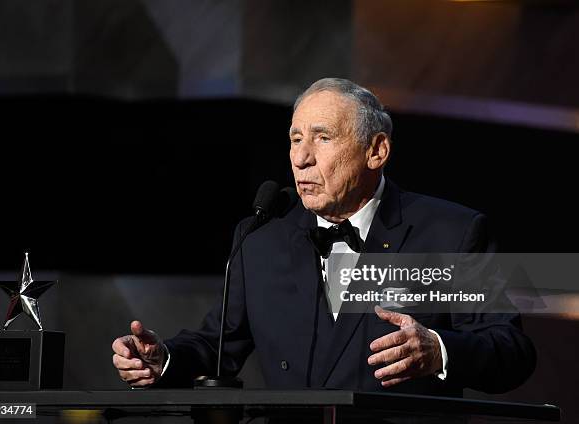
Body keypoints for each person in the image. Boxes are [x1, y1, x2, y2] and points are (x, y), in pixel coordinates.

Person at [112, 78, 535, 395]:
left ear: (377, 151)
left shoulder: (450, 233)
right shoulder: (261, 240)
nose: (301, 158)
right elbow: (217, 344)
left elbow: (511, 351)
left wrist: (439, 350)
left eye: (323, 138)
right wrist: (163, 360)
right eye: (295, 138)